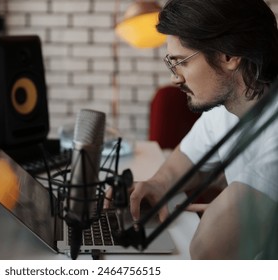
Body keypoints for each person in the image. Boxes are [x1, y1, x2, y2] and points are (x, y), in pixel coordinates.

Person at [106, 0, 278, 259]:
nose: (175, 77)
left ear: (228, 56)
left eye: (181, 62)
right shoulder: (227, 108)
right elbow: (186, 161)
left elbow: (207, 251)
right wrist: (158, 185)